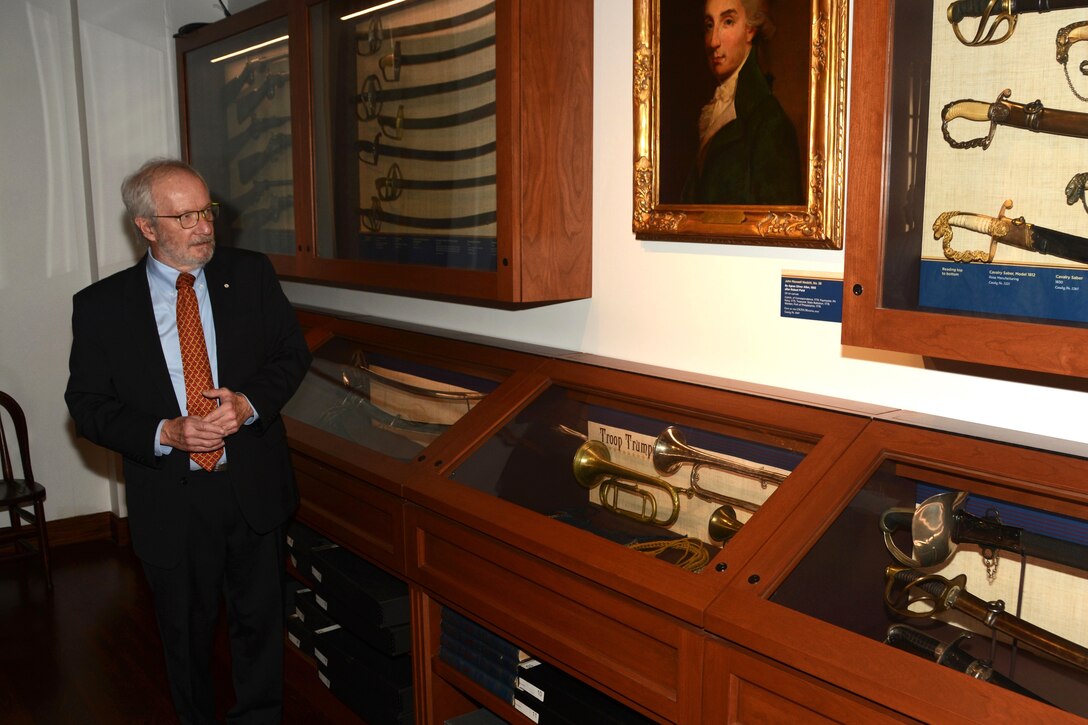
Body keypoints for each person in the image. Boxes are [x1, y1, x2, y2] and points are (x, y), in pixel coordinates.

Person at [65, 158, 312, 723]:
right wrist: (165, 432)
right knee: (185, 638)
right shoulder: (101, 307)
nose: (204, 227)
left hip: (253, 486)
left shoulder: (250, 275)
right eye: (185, 217)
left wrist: (249, 404)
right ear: (147, 227)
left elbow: (290, 355)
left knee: (260, 631)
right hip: (172, 498)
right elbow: (88, 407)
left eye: (207, 211)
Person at [681, 0, 804, 205]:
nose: (713, 42)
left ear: (750, 29)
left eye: (728, 22)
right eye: (709, 25)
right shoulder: (717, 109)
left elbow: (779, 227)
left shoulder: (770, 123)